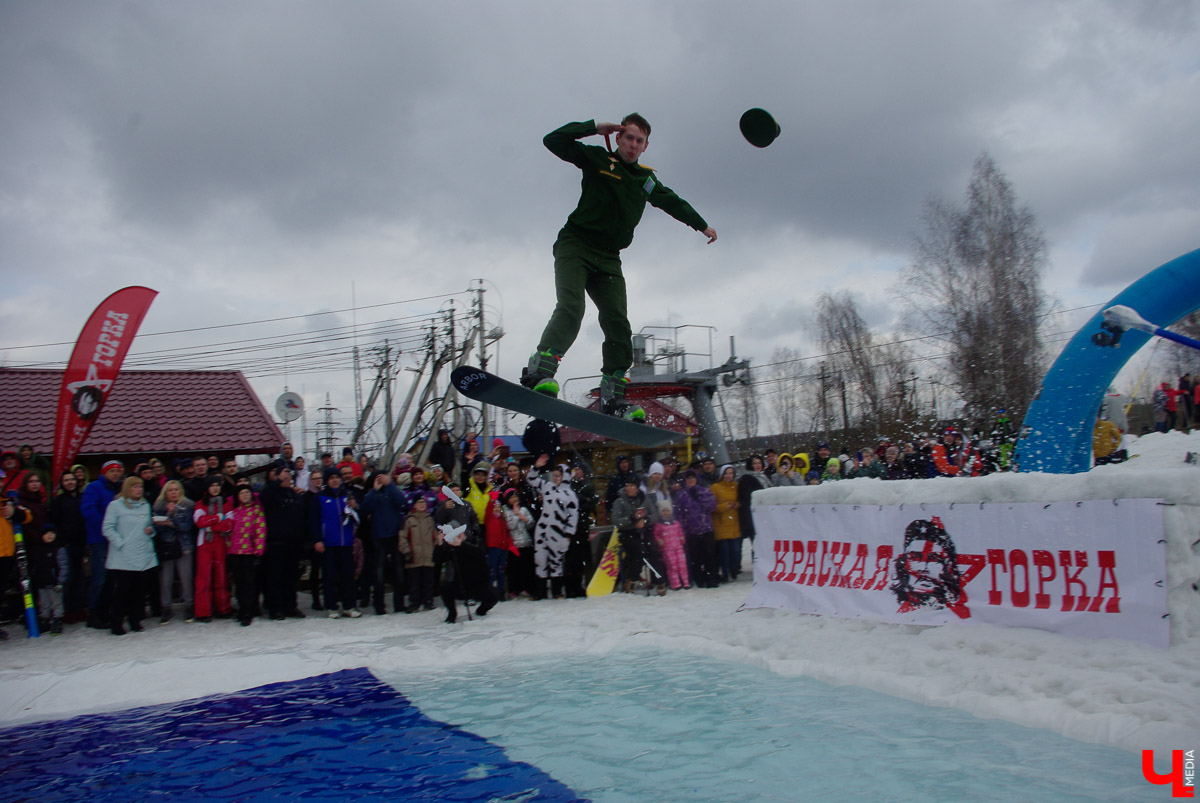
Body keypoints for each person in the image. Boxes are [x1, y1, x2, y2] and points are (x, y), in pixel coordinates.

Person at [520, 114, 717, 421]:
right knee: (572, 307)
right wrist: (594, 128)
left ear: (645, 146)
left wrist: (701, 225)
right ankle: (540, 371)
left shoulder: (645, 180)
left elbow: (671, 201)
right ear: (619, 138)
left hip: (609, 258)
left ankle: (613, 396)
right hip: (576, 245)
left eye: (639, 141)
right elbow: (553, 141)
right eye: (628, 138)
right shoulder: (597, 158)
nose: (633, 146)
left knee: (617, 323)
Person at [102, 477, 157, 635]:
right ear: (127, 488)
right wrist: (121, 543)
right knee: (121, 592)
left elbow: (149, 527)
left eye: (140, 486)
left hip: (142, 554)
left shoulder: (145, 506)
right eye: (134, 486)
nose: (139, 489)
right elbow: (107, 528)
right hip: (123, 557)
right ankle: (116, 623)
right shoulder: (115, 506)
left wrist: (151, 531)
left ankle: (135, 620)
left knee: (139, 592)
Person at [526, 456, 579, 599]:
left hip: (558, 532)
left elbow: (573, 516)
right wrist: (536, 467)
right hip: (542, 529)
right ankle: (540, 592)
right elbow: (531, 480)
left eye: (558, 475)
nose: (555, 478)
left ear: (565, 476)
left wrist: (568, 534)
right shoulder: (547, 486)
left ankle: (557, 591)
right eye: (554, 475)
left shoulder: (570, 495)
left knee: (556, 561)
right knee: (540, 560)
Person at [312, 468, 361, 618]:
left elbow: (358, 515)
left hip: (346, 542)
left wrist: (355, 507)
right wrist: (317, 540)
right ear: (327, 480)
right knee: (330, 576)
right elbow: (313, 520)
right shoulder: (319, 497)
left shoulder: (347, 495)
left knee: (347, 576)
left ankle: (349, 606)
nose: (335, 480)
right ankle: (331, 606)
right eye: (331, 477)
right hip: (329, 543)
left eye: (337, 477)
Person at [81, 460, 124, 629]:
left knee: (113, 579)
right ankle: (94, 613)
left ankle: (108, 611)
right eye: (111, 471)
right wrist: (108, 527)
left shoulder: (120, 488)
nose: (115, 473)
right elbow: (88, 510)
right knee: (99, 577)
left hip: (118, 540)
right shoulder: (94, 488)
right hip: (99, 539)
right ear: (104, 472)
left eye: (118, 471)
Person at [260, 468, 307, 620]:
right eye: (284, 476)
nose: (287, 479)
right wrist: (278, 481)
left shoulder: (294, 495)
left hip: (293, 543)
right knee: (275, 578)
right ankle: (276, 609)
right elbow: (263, 497)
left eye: (288, 476)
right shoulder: (272, 493)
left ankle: (290, 606)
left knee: (291, 577)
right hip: (276, 543)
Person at [362, 470, 409, 615]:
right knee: (379, 573)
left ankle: (399, 604)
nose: (381, 480)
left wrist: (390, 485)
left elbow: (402, 502)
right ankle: (379, 605)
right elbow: (364, 509)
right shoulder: (372, 494)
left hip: (394, 535)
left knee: (398, 572)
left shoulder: (391, 491)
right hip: (379, 537)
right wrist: (374, 490)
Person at [611, 477, 666, 595]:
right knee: (639, 552)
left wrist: (645, 520)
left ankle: (659, 581)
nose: (629, 488)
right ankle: (632, 578)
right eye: (627, 485)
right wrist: (632, 519)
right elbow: (616, 521)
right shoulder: (619, 501)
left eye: (632, 486)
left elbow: (655, 515)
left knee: (654, 552)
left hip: (645, 531)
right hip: (628, 533)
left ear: (637, 488)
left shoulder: (645, 499)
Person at [152, 480, 194, 624]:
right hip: (166, 546)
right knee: (165, 580)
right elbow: (156, 528)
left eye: (176, 489)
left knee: (186, 578)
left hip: (184, 546)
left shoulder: (188, 506)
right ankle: (166, 607)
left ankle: (189, 605)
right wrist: (167, 514)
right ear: (165, 492)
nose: (174, 492)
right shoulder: (158, 507)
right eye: (170, 490)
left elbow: (187, 526)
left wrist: (171, 520)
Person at [193, 475, 234, 622]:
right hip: (204, 544)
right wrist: (218, 518)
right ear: (207, 488)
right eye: (212, 486)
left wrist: (211, 525)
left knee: (221, 577)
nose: (215, 488)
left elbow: (229, 525)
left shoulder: (227, 504)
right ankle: (203, 611)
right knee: (203, 579)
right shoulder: (200, 504)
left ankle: (223, 608)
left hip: (221, 544)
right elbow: (199, 522)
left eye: (217, 485)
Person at [50, 470, 87, 623]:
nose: (70, 482)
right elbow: (54, 522)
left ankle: (78, 608)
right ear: (62, 484)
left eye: (72, 479)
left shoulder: (83, 498)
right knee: (67, 578)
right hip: (66, 545)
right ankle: (66, 609)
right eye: (66, 480)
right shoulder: (58, 501)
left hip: (82, 544)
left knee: (80, 578)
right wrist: (60, 541)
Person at [673, 469, 718, 588]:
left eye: (693, 478)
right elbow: (678, 514)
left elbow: (712, 506)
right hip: (691, 532)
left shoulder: (705, 491)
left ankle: (711, 579)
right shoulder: (681, 495)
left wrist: (699, 497)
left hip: (706, 529)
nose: (691, 480)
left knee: (709, 556)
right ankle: (699, 579)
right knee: (695, 557)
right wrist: (682, 530)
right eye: (688, 478)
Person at [400, 495, 437, 612]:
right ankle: (414, 602)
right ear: (414, 505)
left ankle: (428, 601)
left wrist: (435, 549)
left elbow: (435, 536)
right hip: (414, 556)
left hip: (428, 555)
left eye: (423, 502)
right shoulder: (409, 520)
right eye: (419, 502)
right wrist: (406, 551)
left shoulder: (429, 519)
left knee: (428, 581)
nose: (422, 505)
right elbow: (403, 537)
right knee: (414, 583)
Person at [501, 489, 535, 599]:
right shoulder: (505, 510)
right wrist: (516, 515)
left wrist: (525, 519)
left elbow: (531, 523)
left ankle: (526, 588)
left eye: (516, 497)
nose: (514, 499)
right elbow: (509, 526)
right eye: (511, 497)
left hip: (526, 542)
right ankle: (514, 589)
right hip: (514, 544)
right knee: (514, 569)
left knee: (526, 567)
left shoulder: (524, 509)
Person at [711, 465, 742, 582]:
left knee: (735, 550)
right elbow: (712, 505)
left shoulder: (736, 486)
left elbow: (741, 499)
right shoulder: (715, 487)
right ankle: (724, 572)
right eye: (726, 473)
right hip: (721, 522)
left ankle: (733, 569)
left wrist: (738, 504)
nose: (728, 476)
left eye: (730, 473)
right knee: (724, 551)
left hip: (734, 522)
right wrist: (724, 506)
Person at [653, 502, 689, 591]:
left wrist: (682, 538)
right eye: (664, 511)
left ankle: (686, 582)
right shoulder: (659, 524)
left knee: (682, 565)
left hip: (678, 547)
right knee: (672, 566)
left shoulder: (676, 523)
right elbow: (656, 534)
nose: (666, 513)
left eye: (668, 510)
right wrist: (659, 541)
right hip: (667, 549)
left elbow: (680, 532)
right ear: (661, 513)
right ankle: (675, 584)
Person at [737, 456, 770, 542]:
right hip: (754, 517)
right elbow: (747, 498)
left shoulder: (764, 476)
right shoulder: (746, 478)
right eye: (754, 463)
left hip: (766, 515)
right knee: (758, 543)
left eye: (759, 463)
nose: (757, 465)